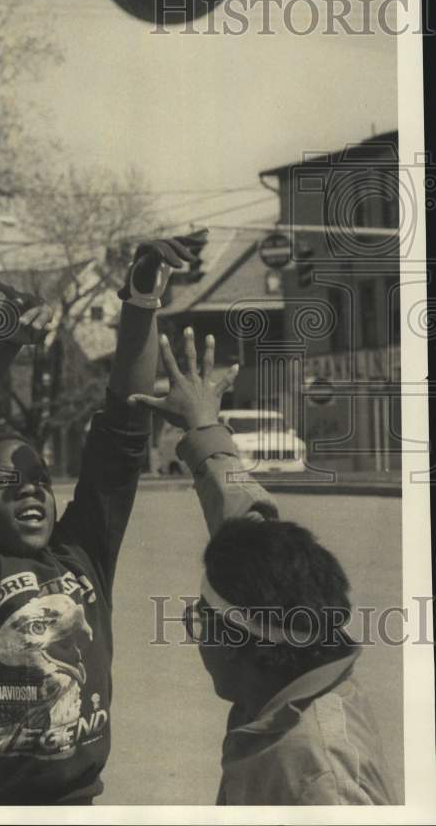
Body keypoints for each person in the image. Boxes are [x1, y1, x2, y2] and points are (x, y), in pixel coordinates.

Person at [0, 234, 200, 806]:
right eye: (8, 480)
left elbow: (121, 436)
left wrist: (141, 302)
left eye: (43, 480)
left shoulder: (81, 555)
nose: (32, 489)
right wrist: (1, 349)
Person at [129, 326, 397, 806]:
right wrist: (203, 426)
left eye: (198, 620)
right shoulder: (291, 671)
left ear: (237, 642)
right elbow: (245, 519)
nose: (193, 635)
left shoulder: (319, 778)